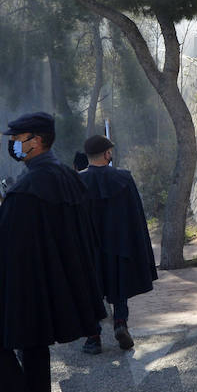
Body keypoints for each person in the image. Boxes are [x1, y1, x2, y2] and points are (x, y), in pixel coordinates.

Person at [0, 112, 104, 392]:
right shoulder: (66, 176)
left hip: (27, 278)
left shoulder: (31, 185)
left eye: (18, 140)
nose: (15, 145)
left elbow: (14, 241)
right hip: (53, 277)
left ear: (36, 140)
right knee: (33, 344)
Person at [79, 134, 158, 353]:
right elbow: (135, 214)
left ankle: (93, 337)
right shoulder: (123, 178)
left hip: (90, 248)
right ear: (107, 154)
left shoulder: (78, 181)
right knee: (119, 287)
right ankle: (120, 324)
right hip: (119, 244)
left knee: (91, 290)